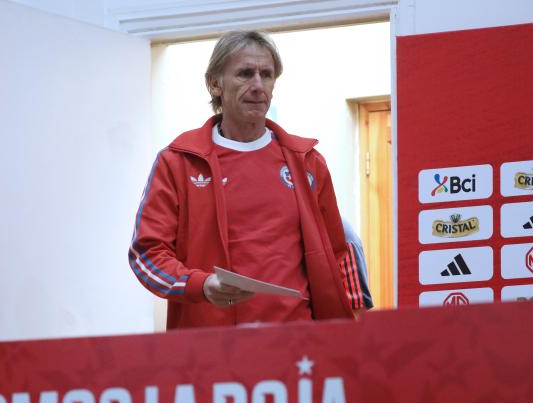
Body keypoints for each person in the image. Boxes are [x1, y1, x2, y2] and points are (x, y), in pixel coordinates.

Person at [129, 30, 367, 329]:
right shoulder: (177, 162)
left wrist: (348, 329)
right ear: (215, 84)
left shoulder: (307, 161)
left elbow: (338, 252)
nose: (258, 85)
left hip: (298, 343)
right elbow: (147, 254)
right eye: (245, 74)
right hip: (211, 347)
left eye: (266, 75)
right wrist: (200, 285)